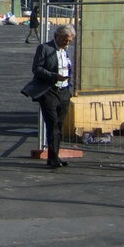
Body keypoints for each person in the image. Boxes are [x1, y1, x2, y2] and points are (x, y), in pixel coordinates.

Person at [22, 24, 76, 169]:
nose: (67, 43)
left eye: (69, 40)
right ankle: (53, 158)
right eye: (65, 40)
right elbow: (37, 69)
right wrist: (53, 76)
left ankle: (55, 155)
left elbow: (70, 69)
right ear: (58, 36)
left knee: (59, 125)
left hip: (64, 92)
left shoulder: (66, 51)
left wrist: (69, 89)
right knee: (52, 123)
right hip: (49, 91)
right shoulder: (45, 49)